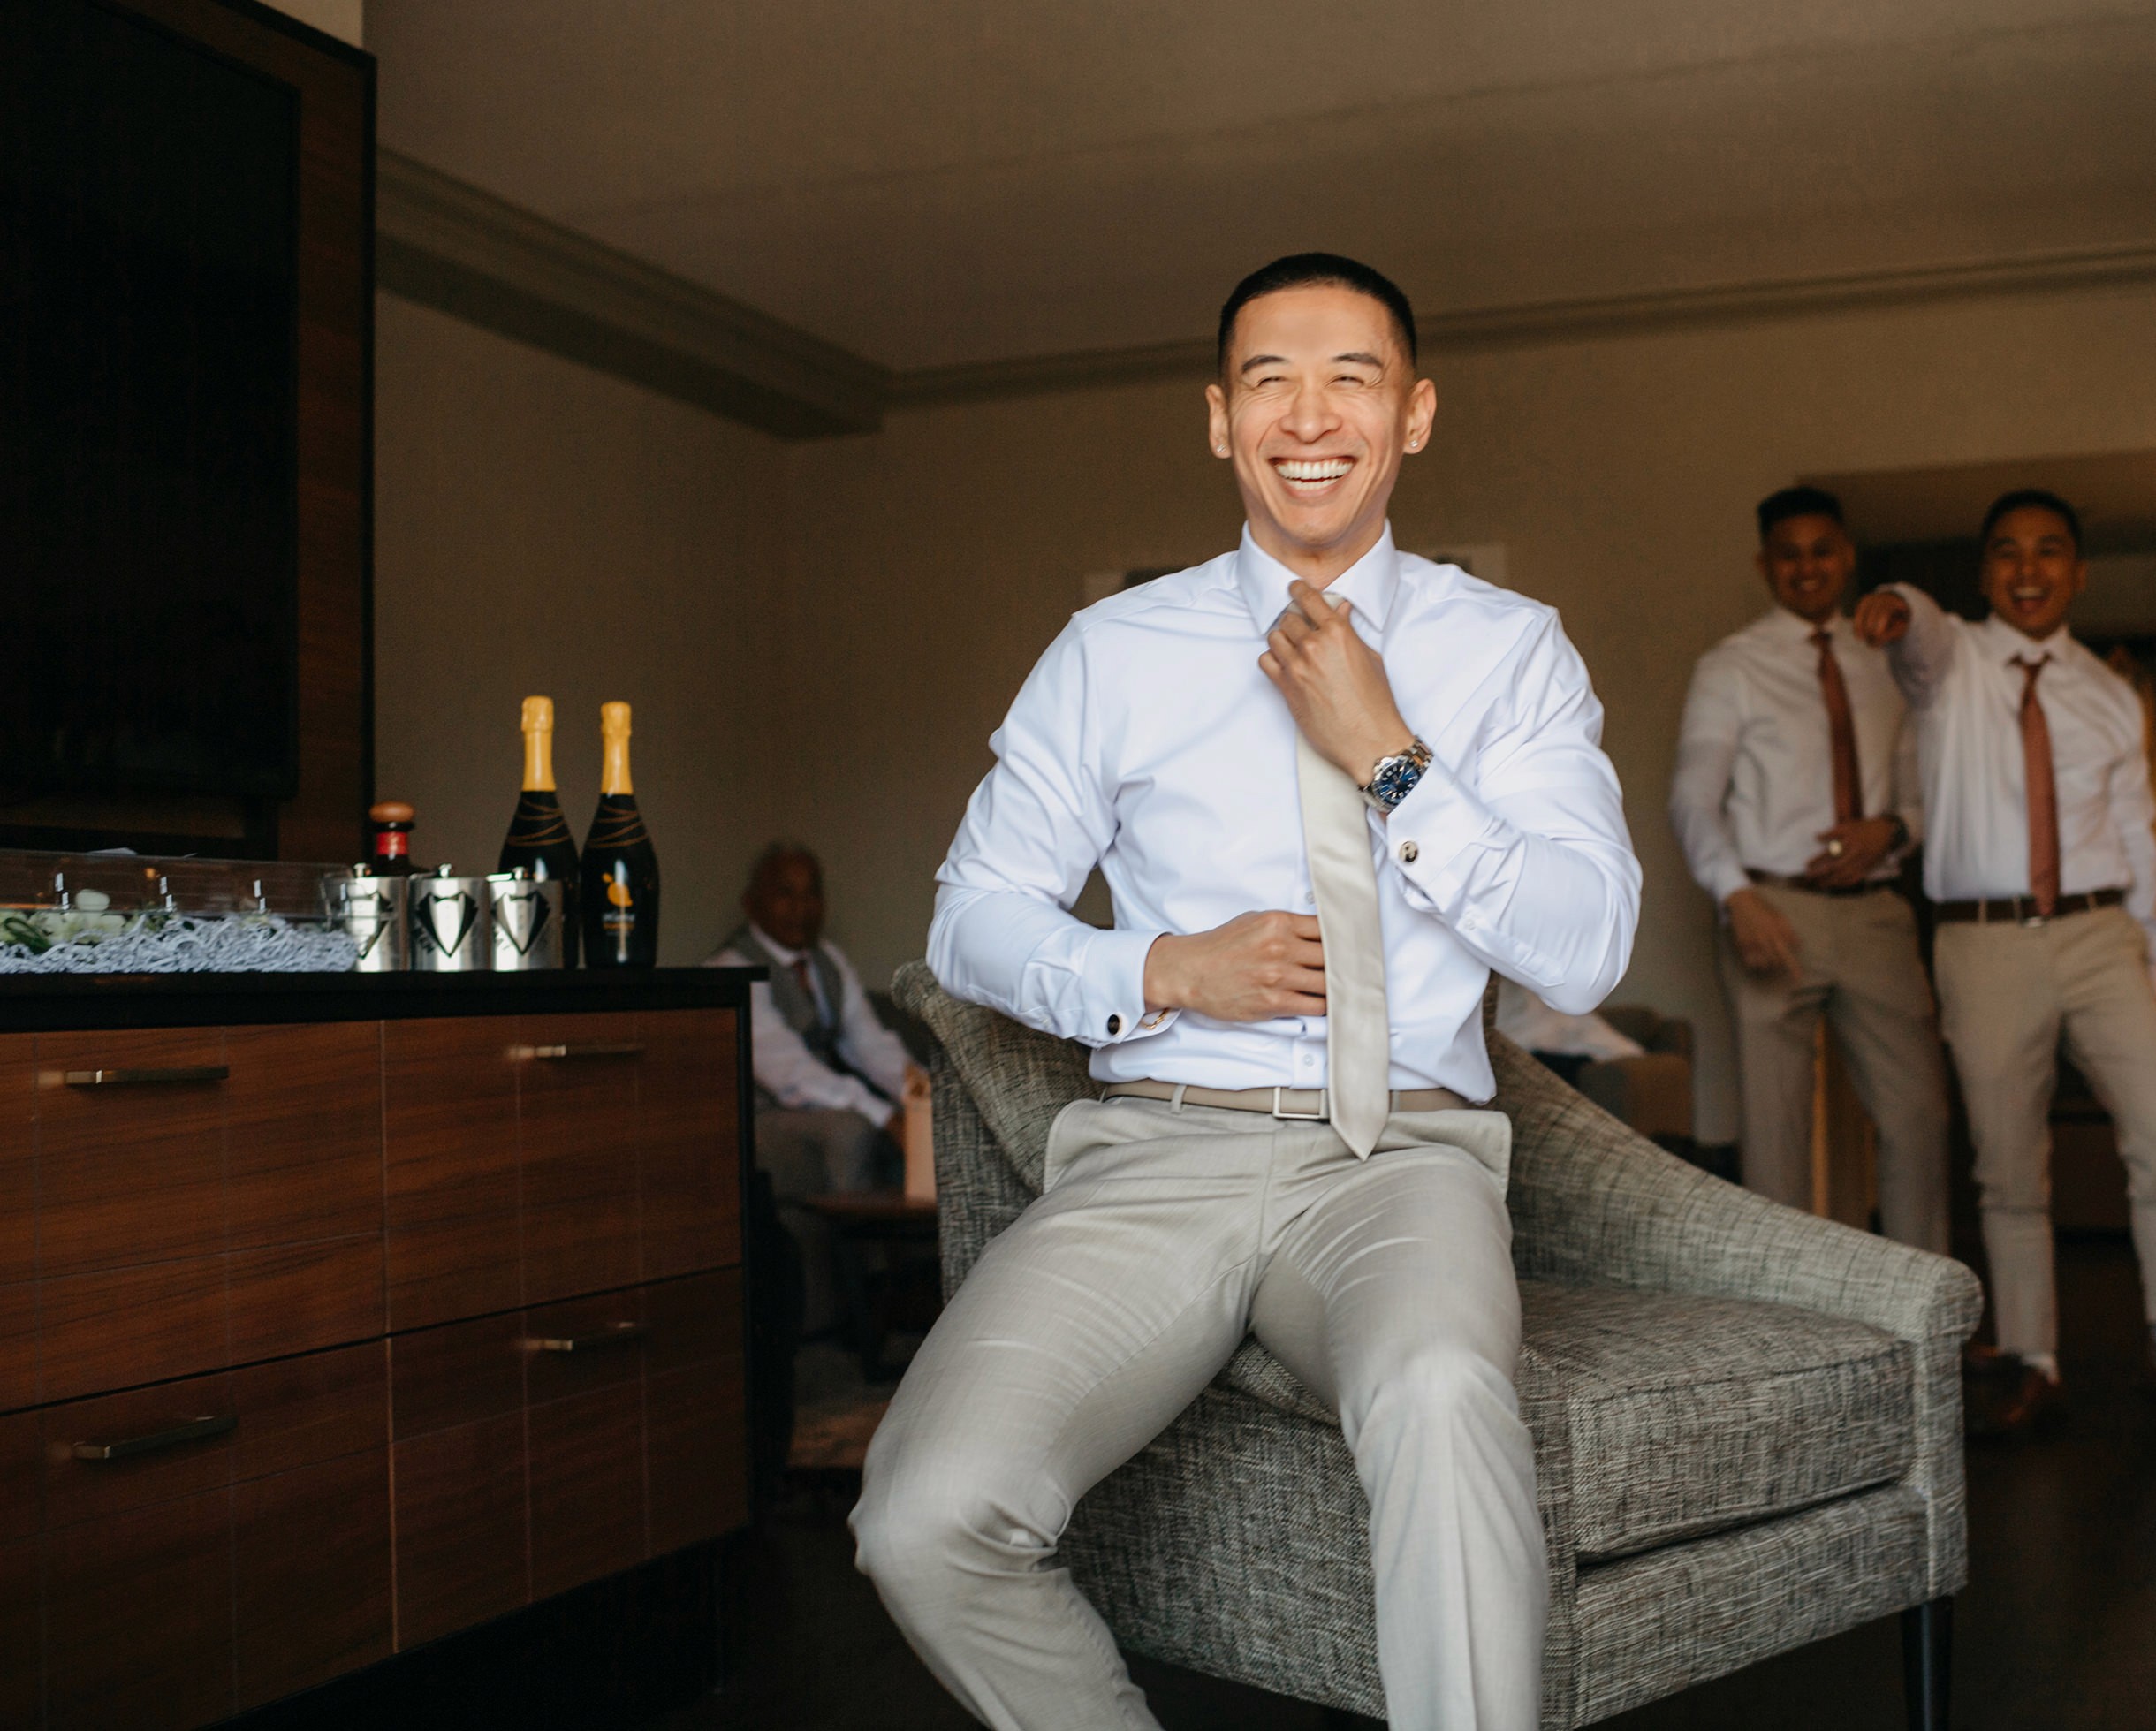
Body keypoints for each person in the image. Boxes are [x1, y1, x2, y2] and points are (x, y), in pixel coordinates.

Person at [852, 254, 1640, 1731]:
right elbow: (971, 916)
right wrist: (1153, 968)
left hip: (1394, 1155)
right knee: (921, 1512)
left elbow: (1586, 946)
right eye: (1268, 377)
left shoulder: (1505, 649)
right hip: (1153, 1148)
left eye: (1350, 374)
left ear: (1411, 414)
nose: (1308, 412)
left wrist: (1388, 754)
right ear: (1220, 420)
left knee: (1443, 1396)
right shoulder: (1112, 651)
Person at [1855, 490, 2156, 1446]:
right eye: (2005, 553)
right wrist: (1894, 601)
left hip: (2100, 937)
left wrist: (2145, 944)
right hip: (1982, 941)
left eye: (2048, 552)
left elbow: (2134, 827)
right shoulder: (1951, 661)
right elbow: (1910, 626)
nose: (2028, 569)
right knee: (2007, 1167)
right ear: (1984, 573)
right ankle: (2031, 1362)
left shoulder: (2108, 693)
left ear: (2077, 571)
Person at [1670, 486, 1950, 1251]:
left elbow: (1929, 800)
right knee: (1775, 1129)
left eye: (1820, 550)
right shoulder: (1731, 666)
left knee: (1916, 1118)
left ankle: (1917, 1305)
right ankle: (1793, 1331)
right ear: (1765, 565)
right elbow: (1693, 797)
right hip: (1772, 909)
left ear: (1846, 556)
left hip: (1876, 912)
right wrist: (1736, 897)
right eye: (1787, 555)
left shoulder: (1888, 660)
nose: (1806, 568)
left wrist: (1889, 827)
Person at [706, 841, 926, 1331]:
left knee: (916, 1121)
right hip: (758, 1115)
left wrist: (923, 1099)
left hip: (818, 1101)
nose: (801, 908)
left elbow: (870, 1044)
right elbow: (789, 1075)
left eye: (812, 894)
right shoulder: (734, 970)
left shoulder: (827, 961)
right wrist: (881, 1115)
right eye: (786, 894)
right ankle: (865, 1301)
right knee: (849, 1131)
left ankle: (915, 1287)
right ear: (751, 903)